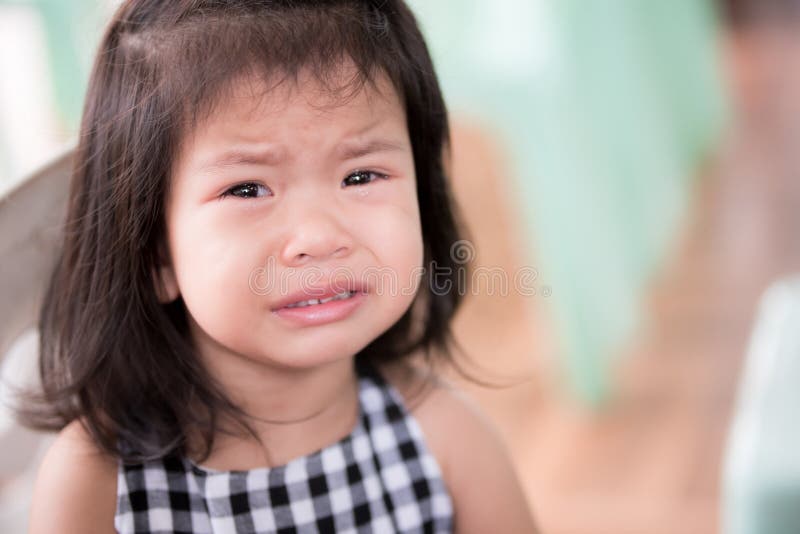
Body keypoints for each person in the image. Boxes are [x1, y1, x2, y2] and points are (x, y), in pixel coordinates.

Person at [21, 1, 537, 532]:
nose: (318, 238)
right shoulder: (97, 483)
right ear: (157, 253)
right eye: (247, 188)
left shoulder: (444, 436)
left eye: (361, 177)